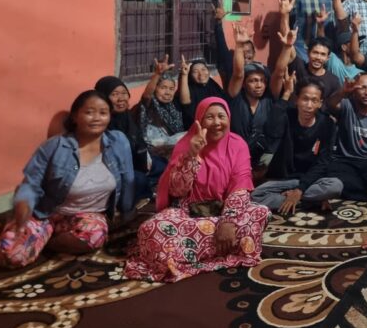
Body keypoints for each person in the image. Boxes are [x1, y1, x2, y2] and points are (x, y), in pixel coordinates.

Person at [0, 91, 134, 268]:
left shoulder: (118, 141)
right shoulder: (54, 146)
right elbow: (30, 184)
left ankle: (43, 241)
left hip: (86, 215)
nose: (96, 118)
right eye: (89, 112)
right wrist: (23, 208)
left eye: (103, 113)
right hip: (46, 212)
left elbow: (128, 176)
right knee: (12, 258)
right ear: (75, 116)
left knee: (94, 237)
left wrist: (126, 210)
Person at [124, 97, 269, 282]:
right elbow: (177, 190)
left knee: (261, 213)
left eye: (221, 116)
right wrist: (192, 156)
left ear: (228, 118)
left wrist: (228, 222)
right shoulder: (186, 144)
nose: (217, 123)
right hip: (187, 214)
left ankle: (183, 251)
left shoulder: (237, 144)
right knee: (152, 229)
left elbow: (240, 186)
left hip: (224, 212)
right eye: (209, 117)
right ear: (199, 120)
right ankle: (223, 247)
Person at [251, 77, 343, 213]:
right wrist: (287, 93)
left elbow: (323, 162)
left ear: (320, 103)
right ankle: (309, 201)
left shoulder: (327, 124)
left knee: (336, 186)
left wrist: (300, 190)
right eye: (305, 99)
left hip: (310, 179)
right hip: (285, 180)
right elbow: (271, 129)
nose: (309, 105)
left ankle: (293, 199)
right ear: (297, 100)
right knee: (256, 195)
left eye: (314, 100)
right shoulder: (287, 116)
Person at [227, 25, 286, 180]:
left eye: (262, 81)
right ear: (244, 84)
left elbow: (279, 73)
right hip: (236, 157)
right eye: (253, 81)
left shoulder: (269, 98)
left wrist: (287, 47)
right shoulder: (235, 96)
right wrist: (239, 46)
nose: (259, 85)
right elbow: (238, 73)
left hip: (264, 159)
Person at [94, 75, 149, 200]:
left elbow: (138, 142)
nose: (121, 99)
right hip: (114, 169)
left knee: (162, 165)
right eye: (114, 94)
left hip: (135, 162)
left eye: (124, 93)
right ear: (103, 97)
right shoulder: (101, 123)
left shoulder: (127, 116)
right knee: (140, 179)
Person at [137, 56, 186, 194]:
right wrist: (157, 74)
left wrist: (184, 75)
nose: (167, 92)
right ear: (156, 88)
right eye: (163, 87)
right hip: (151, 146)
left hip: (168, 147)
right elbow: (146, 96)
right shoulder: (150, 103)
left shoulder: (172, 107)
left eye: (171, 89)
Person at [178, 56, 228, 127]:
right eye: (195, 71)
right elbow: (185, 102)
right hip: (196, 127)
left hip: (216, 125)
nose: (201, 74)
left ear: (208, 71)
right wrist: (184, 75)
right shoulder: (189, 87)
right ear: (190, 75)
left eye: (203, 69)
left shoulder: (212, 85)